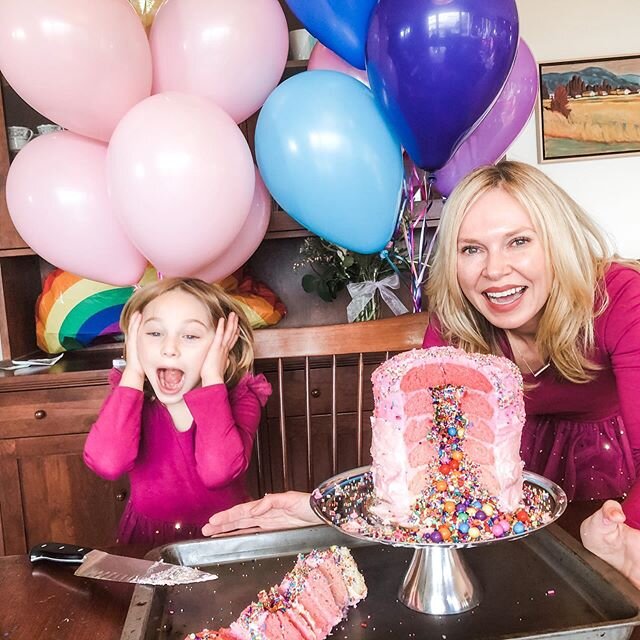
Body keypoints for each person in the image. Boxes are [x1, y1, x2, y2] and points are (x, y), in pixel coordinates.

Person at [202, 161, 640, 590]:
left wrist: (629, 534)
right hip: (496, 487)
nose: (494, 270)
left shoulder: (621, 297)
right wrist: (333, 511)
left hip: (607, 480)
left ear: (557, 241)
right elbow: (428, 461)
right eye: (471, 249)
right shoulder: (456, 322)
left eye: (518, 241)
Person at [84, 277, 271, 545]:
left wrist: (211, 378)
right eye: (154, 333)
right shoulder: (130, 396)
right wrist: (134, 371)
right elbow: (108, 462)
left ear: (223, 349)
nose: (169, 348)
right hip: (147, 542)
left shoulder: (242, 396)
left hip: (225, 541)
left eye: (191, 336)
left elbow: (217, 471)